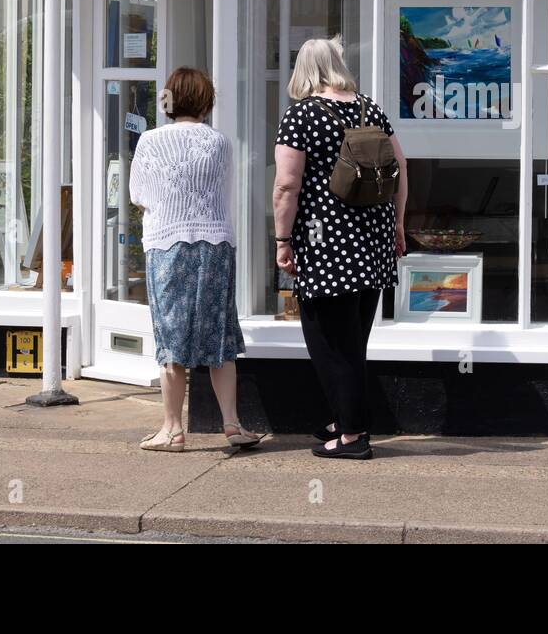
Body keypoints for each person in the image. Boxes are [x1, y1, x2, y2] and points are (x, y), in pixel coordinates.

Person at [273, 36, 408, 460]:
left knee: (329, 343)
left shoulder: (302, 115)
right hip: (373, 242)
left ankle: (352, 436)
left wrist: (281, 239)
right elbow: (402, 169)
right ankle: (342, 417)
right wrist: (399, 224)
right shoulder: (370, 109)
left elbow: (286, 185)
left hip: (324, 243)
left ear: (303, 70)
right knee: (352, 341)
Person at [129, 66, 261, 452]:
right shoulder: (218, 142)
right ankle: (232, 423)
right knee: (219, 336)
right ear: (206, 100)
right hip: (215, 246)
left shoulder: (150, 141)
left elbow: (139, 193)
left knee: (172, 338)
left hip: (167, 245)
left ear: (169, 99)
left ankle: (172, 428)